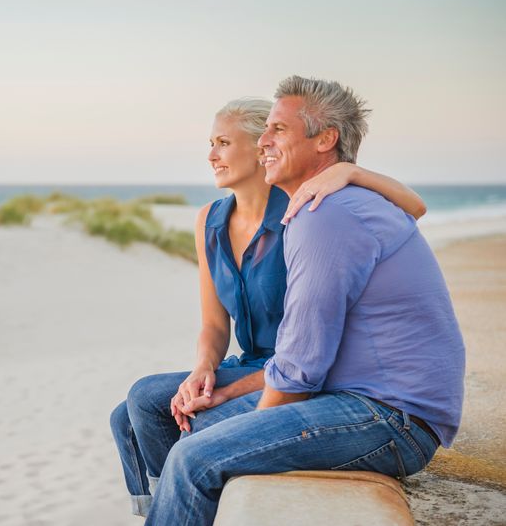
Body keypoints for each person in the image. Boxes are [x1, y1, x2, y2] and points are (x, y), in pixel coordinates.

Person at [141, 76, 465, 525]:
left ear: (325, 140)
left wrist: (245, 428)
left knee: (193, 458)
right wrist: (228, 398)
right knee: (185, 426)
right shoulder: (332, 203)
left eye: (277, 130)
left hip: (391, 417)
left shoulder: (324, 217)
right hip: (364, 400)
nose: (263, 143)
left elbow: (299, 369)